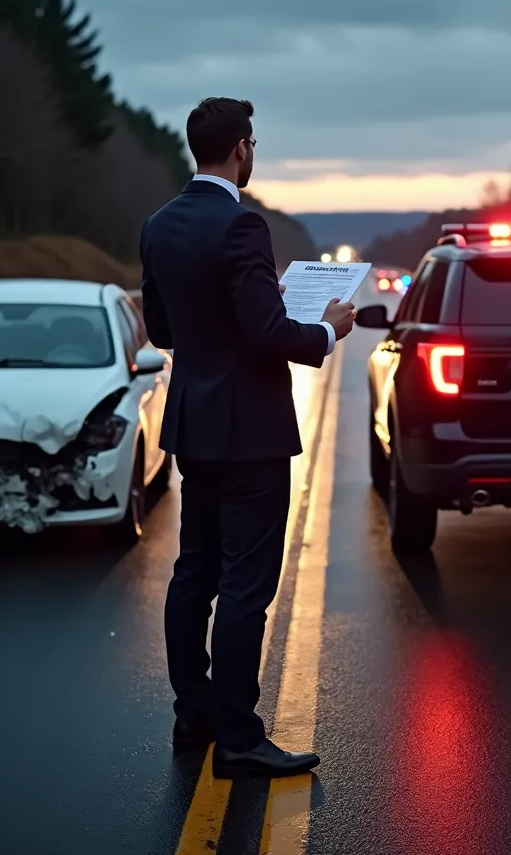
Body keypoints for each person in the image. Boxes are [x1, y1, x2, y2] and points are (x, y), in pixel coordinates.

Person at [139, 97, 356, 779]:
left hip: (194, 429)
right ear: (240, 149)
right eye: (252, 143)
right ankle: (238, 736)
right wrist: (328, 329)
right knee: (244, 589)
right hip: (251, 436)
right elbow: (268, 334)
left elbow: (166, 332)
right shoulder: (241, 226)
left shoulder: (158, 225)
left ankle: (192, 717)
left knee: (193, 573)